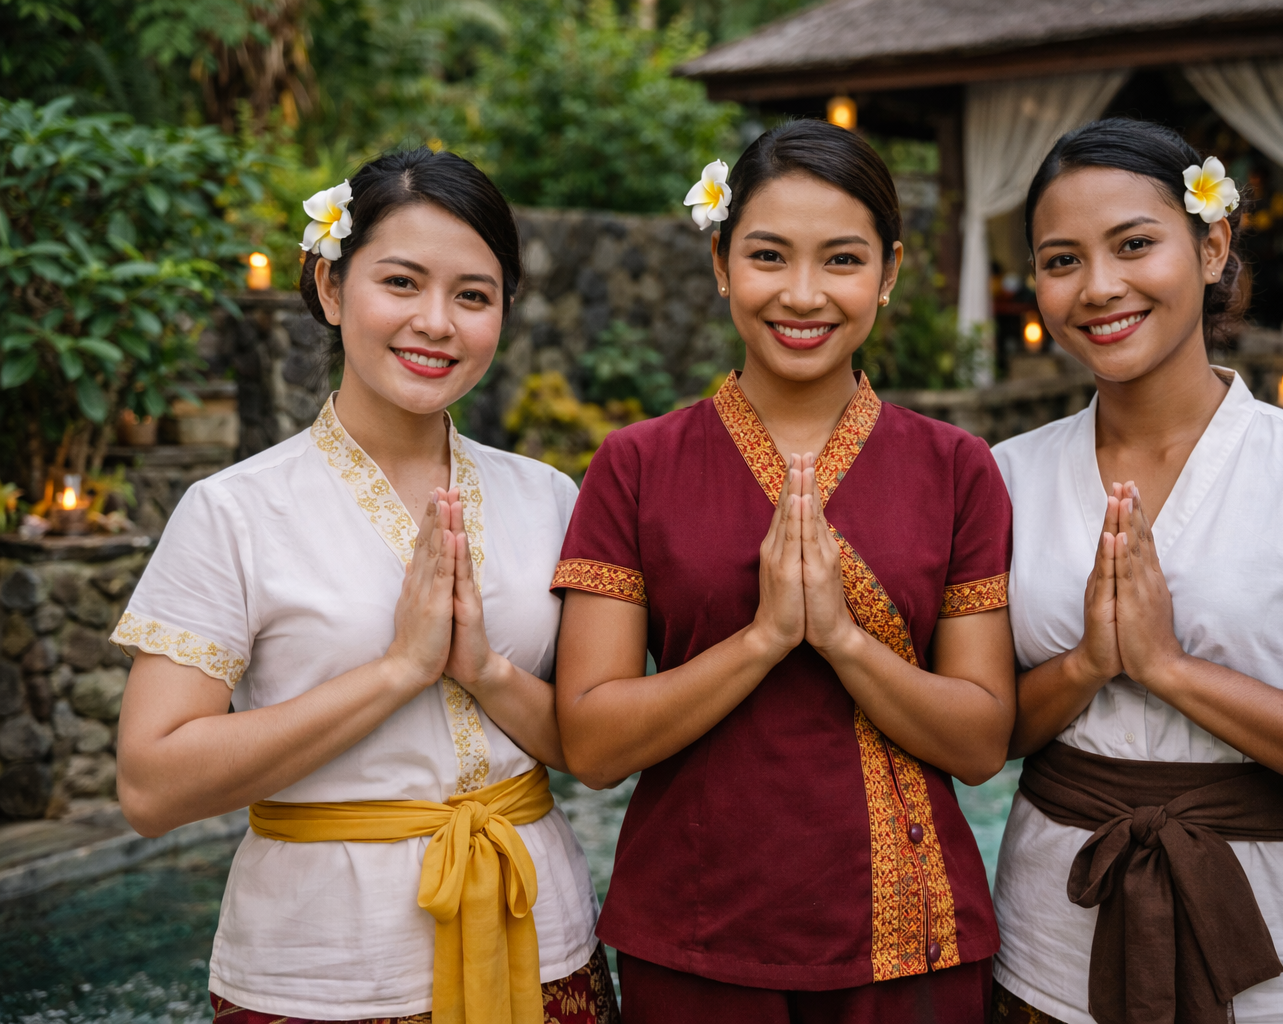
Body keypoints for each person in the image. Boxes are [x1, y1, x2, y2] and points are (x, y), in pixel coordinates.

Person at [110, 148, 615, 1024]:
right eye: (401, 282)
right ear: (333, 288)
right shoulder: (234, 511)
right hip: (323, 970)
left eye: (473, 295)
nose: (437, 322)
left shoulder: (549, 496)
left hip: (543, 944)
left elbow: (597, 752)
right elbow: (152, 787)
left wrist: (485, 669)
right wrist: (396, 669)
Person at [987, 118, 1283, 1024]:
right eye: (1062, 260)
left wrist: (1170, 669)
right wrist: (1089, 663)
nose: (1099, 288)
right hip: (1050, 944)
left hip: (1279, 959)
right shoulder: (1008, 475)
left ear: (1211, 247)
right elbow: (980, 738)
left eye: (1135, 244)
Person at [551, 120, 1016, 1024]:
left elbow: (982, 742)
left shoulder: (956, 467)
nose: (802, 295)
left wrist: (841, 641)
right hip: (693, 933)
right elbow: (594, 744)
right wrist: (764, 639)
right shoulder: (636, 465)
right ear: (722, 263)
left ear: (888, 273)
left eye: (842, 261)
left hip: (910, 947)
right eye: (768, 256)